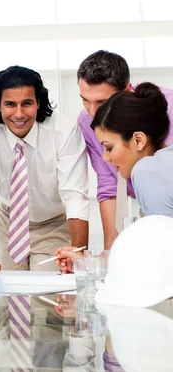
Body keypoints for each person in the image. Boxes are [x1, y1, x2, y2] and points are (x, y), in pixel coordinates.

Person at [0, 65, 89, 271]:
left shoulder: (64, 131)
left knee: (47, 297)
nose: (19, 113)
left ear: (38, 103)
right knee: (8, 294)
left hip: (52, 224)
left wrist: (77, 254)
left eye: (27, 103)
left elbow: (75, 195)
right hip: (9, 223)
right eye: (10, 104)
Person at [57, 83, 172, 273]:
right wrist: (87, 263)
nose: (105, 158)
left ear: (138, 140)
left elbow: (161, 263)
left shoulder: (146, 171)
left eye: (109, 147)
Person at [77, 50, 173, 249]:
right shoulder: (87, 121)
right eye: (85, 100)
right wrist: (109, 259)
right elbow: (108, 185)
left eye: (102, 102)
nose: (93, 112)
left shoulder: (149, 169)